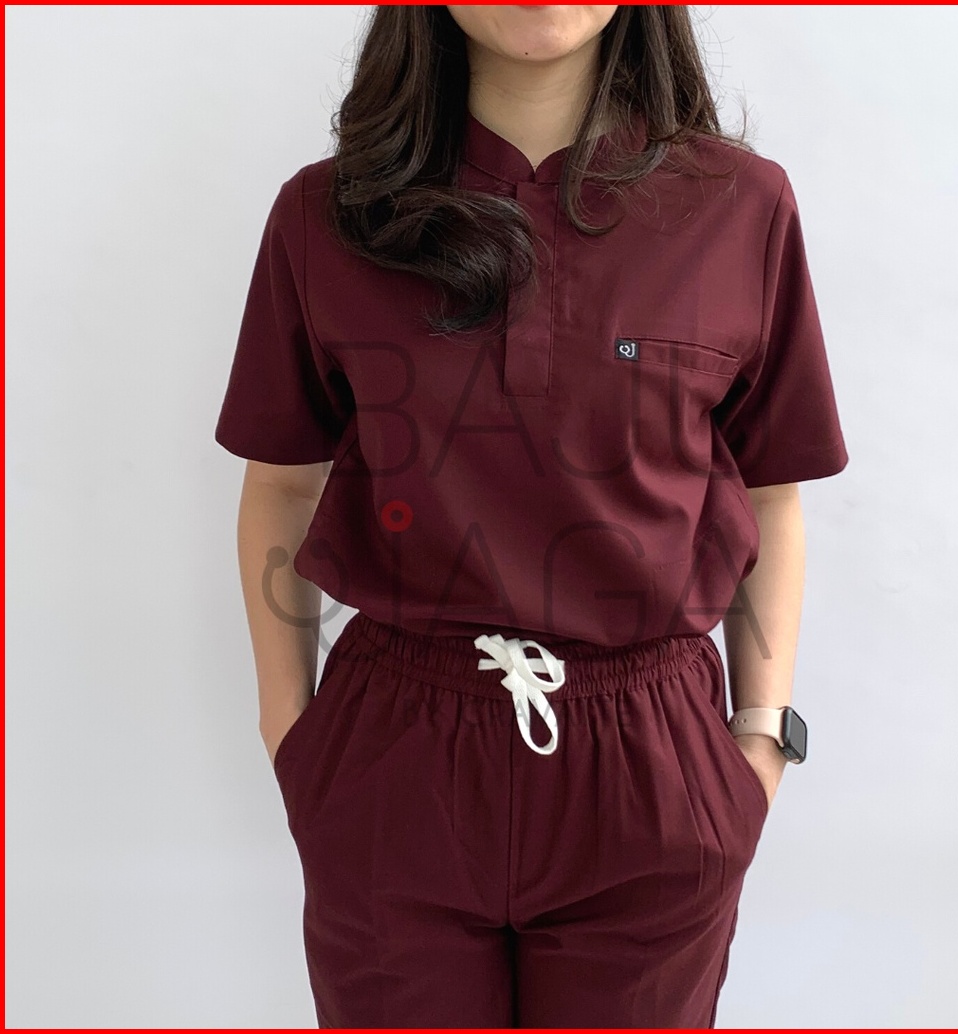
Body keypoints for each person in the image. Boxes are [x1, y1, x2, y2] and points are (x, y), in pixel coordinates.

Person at [214, 5, 849, 1028]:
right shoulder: (326, 215)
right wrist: (290, 730)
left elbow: (769, 490)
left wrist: (760, 737)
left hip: (649, 760)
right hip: (395, 753)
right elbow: (282, 482)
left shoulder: (740, 207)